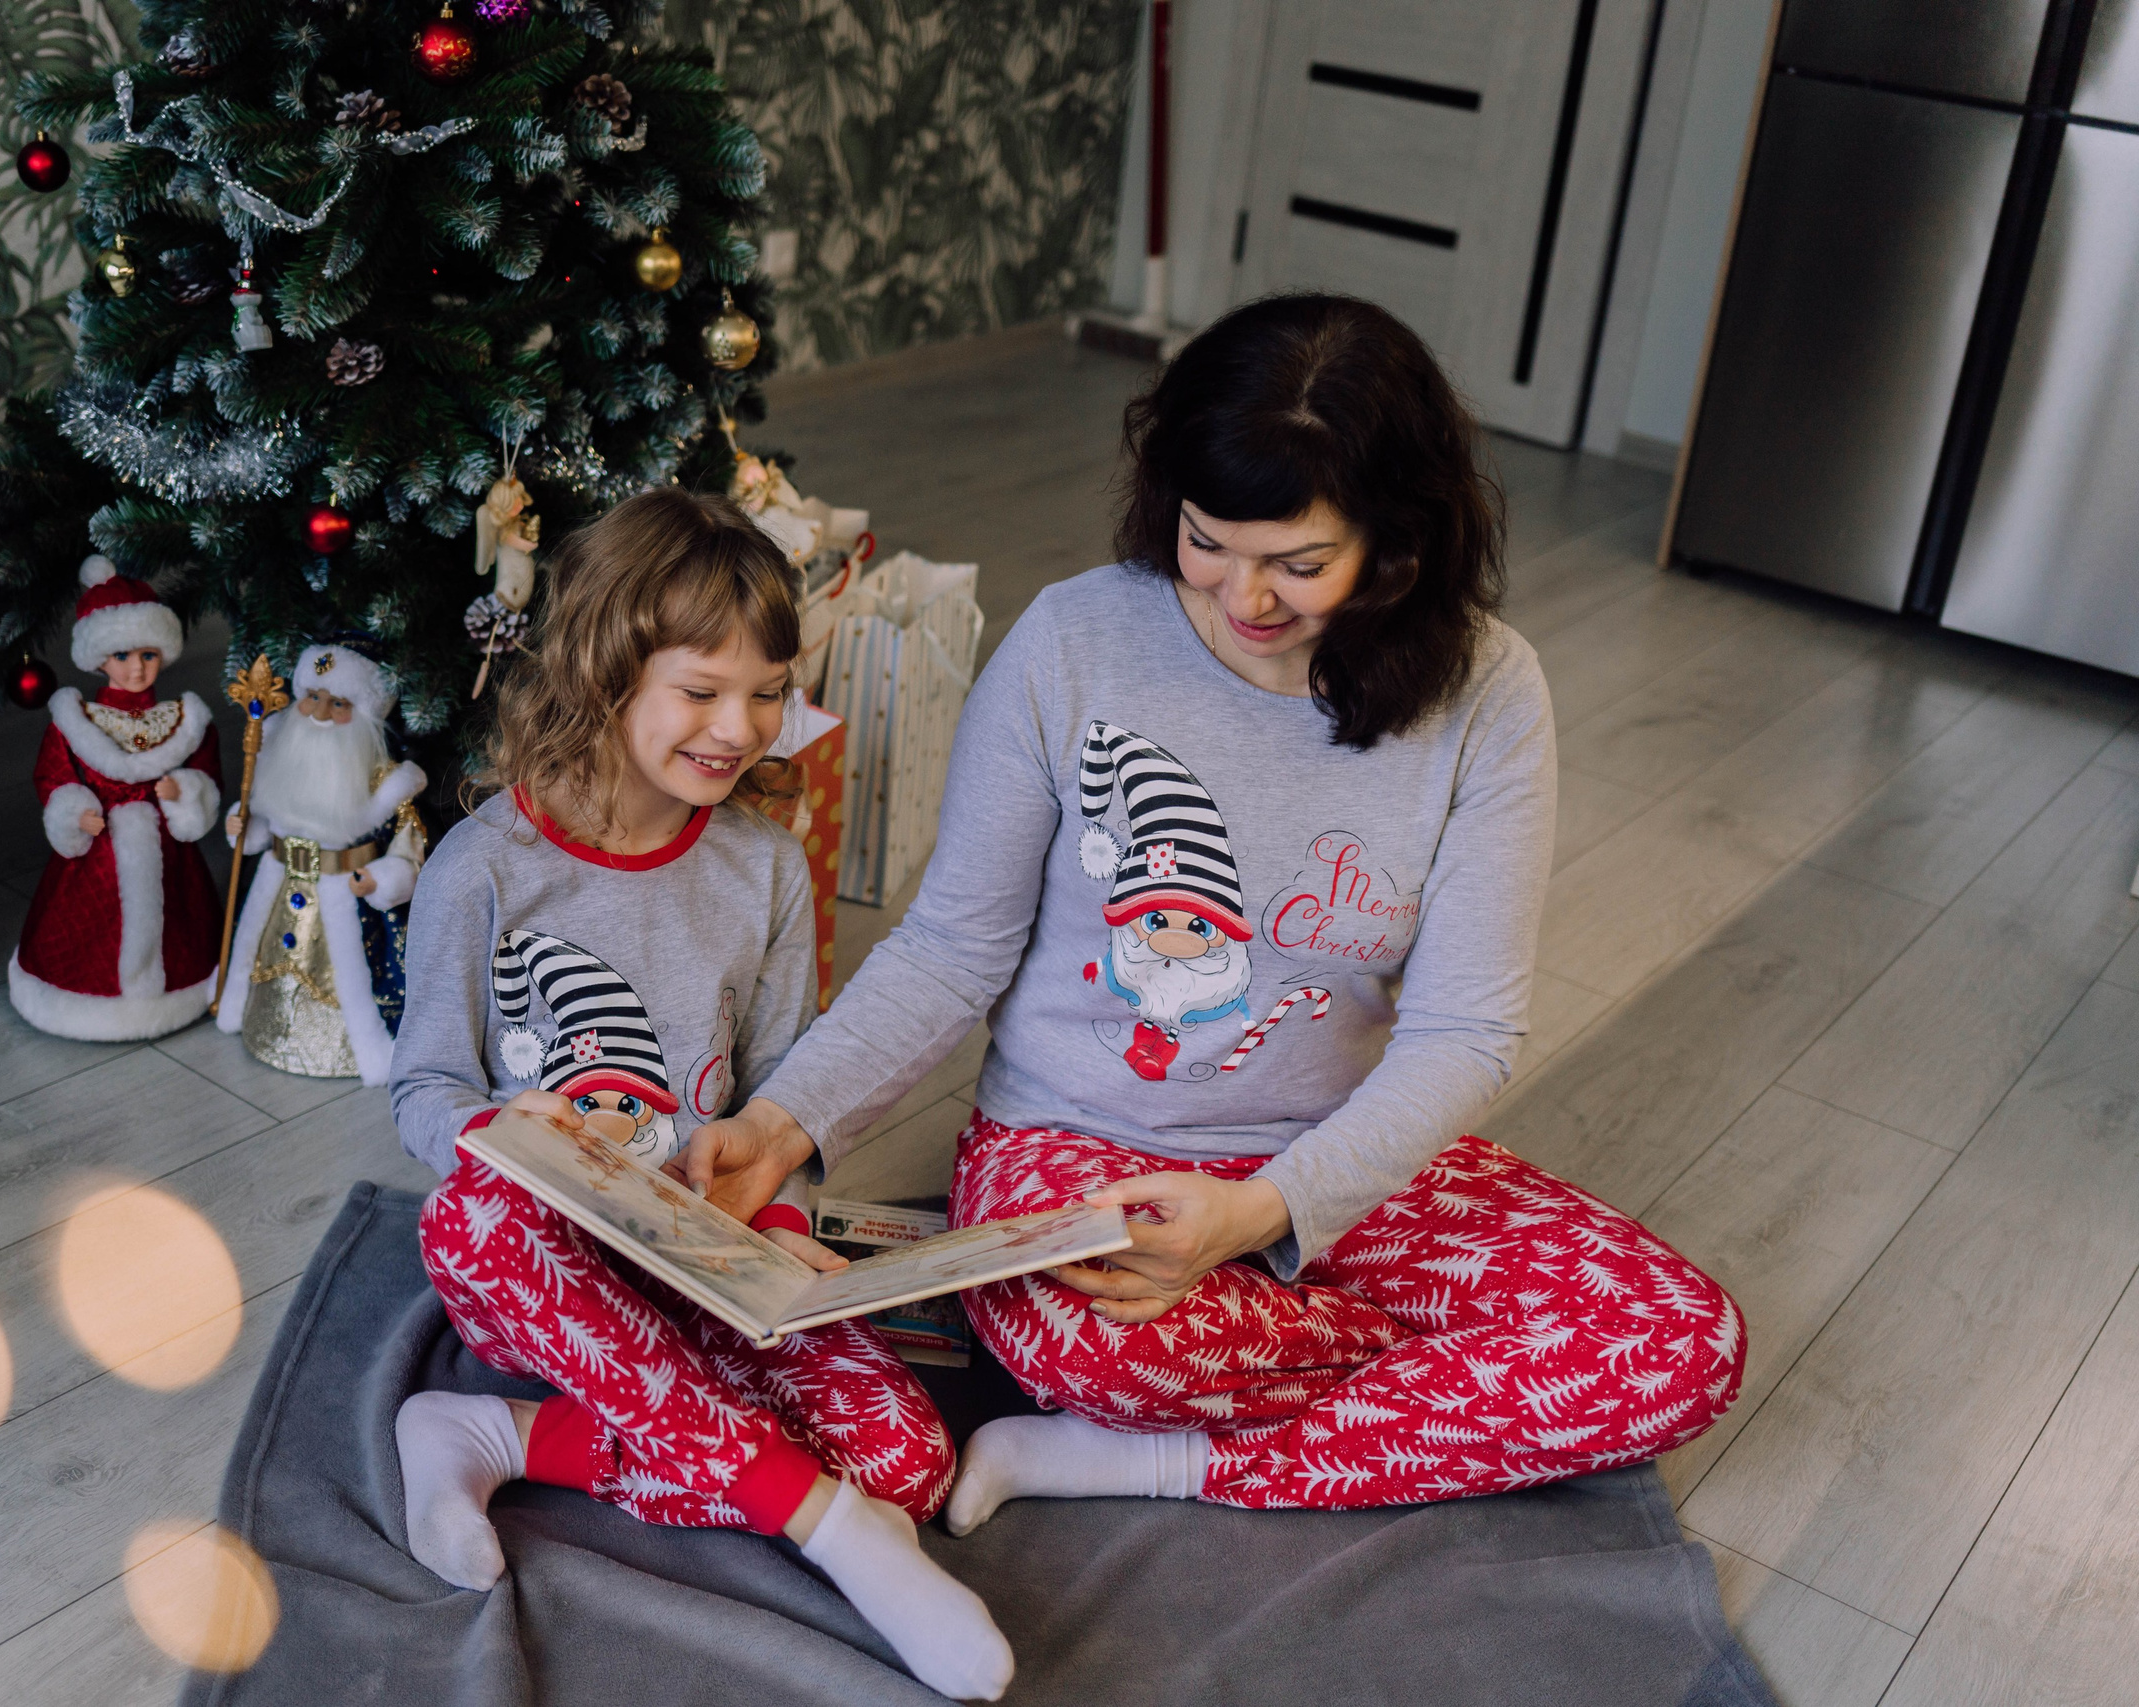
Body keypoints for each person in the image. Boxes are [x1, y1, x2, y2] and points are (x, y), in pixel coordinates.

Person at [684, 293, 1744, 1527]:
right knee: (1101, 1350)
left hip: (1327, 1158)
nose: (1244, 600)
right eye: (1206, 543)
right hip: (1080, 1146)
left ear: (1399, 542)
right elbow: (952, 945)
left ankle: (1172, 1461)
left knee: (1682, 1341)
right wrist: (784, 1123)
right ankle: (1429, 1393)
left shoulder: (1489, 692)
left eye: (1300, 564)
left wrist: (1260, 1215)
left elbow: (1462, 1032)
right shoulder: (1073, 642)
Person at [385, 489, 1012, 1701]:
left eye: (768, 691)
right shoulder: (484, 870)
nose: (741, 728)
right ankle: (828, 1532)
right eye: (702, 690)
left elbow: (779, 1094)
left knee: (908, 1459)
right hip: (543, 1272)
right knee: (473, 1210)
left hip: (709, 1265)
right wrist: (492, 1128)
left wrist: (778, 1235)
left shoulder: (764, 868)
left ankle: (494, 1438)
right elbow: (423, 1086)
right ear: (606, 668)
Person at [9, 555, 225, 1041]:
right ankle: (85, 1000)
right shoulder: (76, 720)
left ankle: (175, 992)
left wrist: (185, 792)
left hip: (171, 858)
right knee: (87, 927)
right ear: (99, 659)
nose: (136, 669)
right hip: (97, 853)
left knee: (179, 918)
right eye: (122, 657)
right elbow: (53, 775)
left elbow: (207, 774)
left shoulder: (182, 720)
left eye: (148, 655)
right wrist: (72, 809)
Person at [214, 639, 428, 1085]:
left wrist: (381, 877)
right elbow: (260, 823)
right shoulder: (275, 755)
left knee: (354, 977)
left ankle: (356, 1049)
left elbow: (410, 848)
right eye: (312, 697)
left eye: (339, 703)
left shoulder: (385, 783)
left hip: (346, 896)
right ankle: (257, 1022)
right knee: (259, 949)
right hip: (277, 882)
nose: (321, 713)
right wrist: (244, 826)